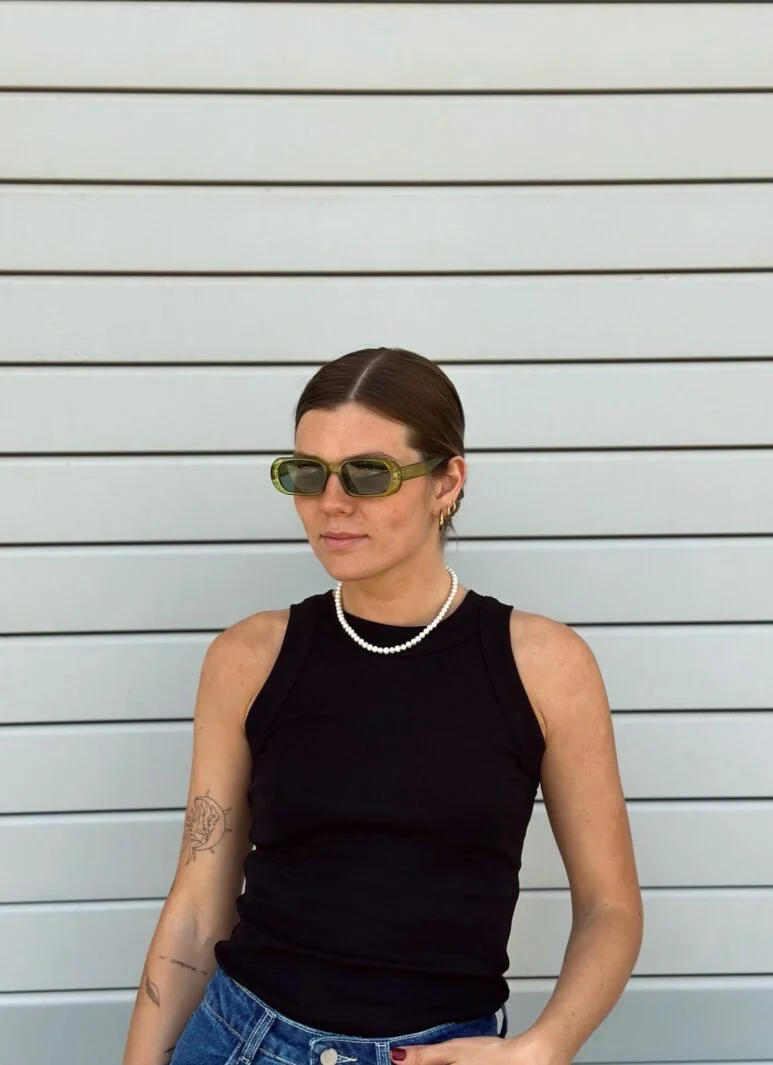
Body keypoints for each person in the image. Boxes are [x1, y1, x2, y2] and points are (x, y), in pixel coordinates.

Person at [123, 347, 643, 1065]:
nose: (332, 502)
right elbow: (196, 906)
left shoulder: (546, 667)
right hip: (243, 1040)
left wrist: (544, 1046)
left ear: (447, 482)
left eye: (368, 474)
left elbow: (610, 907)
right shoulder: (247, 658)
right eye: (306, 473)